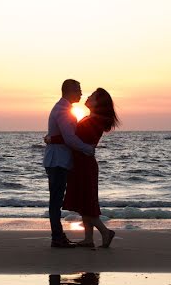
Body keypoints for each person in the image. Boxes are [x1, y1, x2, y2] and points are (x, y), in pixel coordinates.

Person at [56, 88, 120, 248]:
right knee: (85, 202)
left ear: (98, 103)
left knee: (86, 205)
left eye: (92, 96)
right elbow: (74, 138)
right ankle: (88, 238)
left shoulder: (94, 121)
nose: (88, 97)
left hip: (85, 165)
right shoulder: (90, 118)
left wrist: (53, 138)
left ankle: (105, 232)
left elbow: (72, 138)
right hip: (81, 164)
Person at [43, 79, 95, 248]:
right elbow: (70, 138)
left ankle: (57, 236)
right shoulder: (63, 110)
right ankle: (57, 237)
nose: (81, 93)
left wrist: (52, 138)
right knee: (56, 201)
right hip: (58, 161)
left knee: (56, 200)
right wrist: (87, 148)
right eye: (78, 90)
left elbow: (66, 136)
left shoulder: (64, 109)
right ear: (70, 91)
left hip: (58, 160)